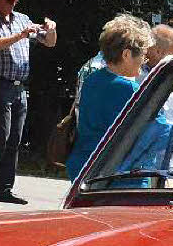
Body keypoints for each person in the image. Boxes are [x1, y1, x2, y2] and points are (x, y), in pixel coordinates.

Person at [0, 0, 56, 204]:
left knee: (15, 140)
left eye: (16, 1)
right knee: (0, 137)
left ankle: (4, 188)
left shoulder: (22, 19)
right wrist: (20, 36)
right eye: (8, 1)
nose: (13, 5)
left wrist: (51, 30)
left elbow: (49, 43)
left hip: (19, 87)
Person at [65, 15, 154, 180]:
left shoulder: (91, 80)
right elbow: (157, 130)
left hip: (83, 166)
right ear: (126, 54)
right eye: (143, 55)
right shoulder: (129, 89)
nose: (144, 61)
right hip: (118, 176)